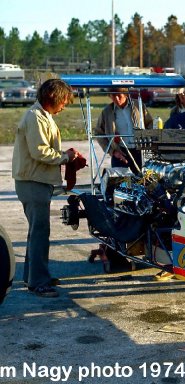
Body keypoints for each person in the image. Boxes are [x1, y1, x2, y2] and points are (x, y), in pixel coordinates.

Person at [12, 78, 79, 298]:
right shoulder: (36, 117)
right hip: (33, 182)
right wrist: (65, 158)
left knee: (36, 232)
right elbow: (39, 151)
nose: (64, 106)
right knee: (40, 232)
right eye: (63, 102)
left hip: (36, 181)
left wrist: (64, 156)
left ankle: (33, 277)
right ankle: (38, 282)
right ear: (53, 98)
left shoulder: (42, 115)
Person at [95, 88, 153, 173]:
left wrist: (147, 142)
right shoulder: (107, 112)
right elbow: (98, 133)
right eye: (113, 96)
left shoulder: (138, 106)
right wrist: (113, 151)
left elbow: (150, 124)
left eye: (119, 96)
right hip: (120, 154)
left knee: (142, 182)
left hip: (140, 152)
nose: (117, 99)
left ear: (125, 94)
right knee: (121, 183)